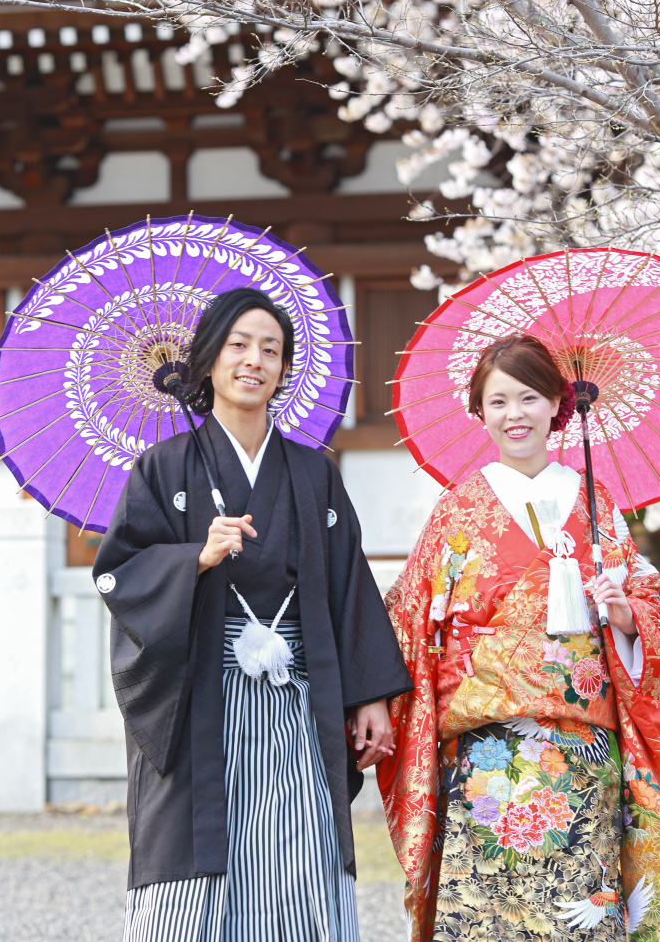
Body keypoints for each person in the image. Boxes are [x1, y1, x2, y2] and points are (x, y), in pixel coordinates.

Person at [93, 286, 412, 942]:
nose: (254, 360)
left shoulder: (312, 473)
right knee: (195, 855)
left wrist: (371, 695)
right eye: (238, 345)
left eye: (271, 349)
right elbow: (119, 573)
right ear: (207, 361)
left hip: (297, 692)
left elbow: (349, 582)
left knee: (297, 849)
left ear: (284, 370)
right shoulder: (163, 467)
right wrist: (193, 560)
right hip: (202, 695)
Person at [377, 335, 660, 942]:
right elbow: (409, 617)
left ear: (556, 405)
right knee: (486, 909)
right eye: (497, 401)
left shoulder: (596, 502)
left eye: (528, 397)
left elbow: (649, 613)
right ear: (480, 411)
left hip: (582, 749)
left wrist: (624, 614)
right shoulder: (458, 510)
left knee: (577, 906)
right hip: (486, 749)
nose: (514, 414)